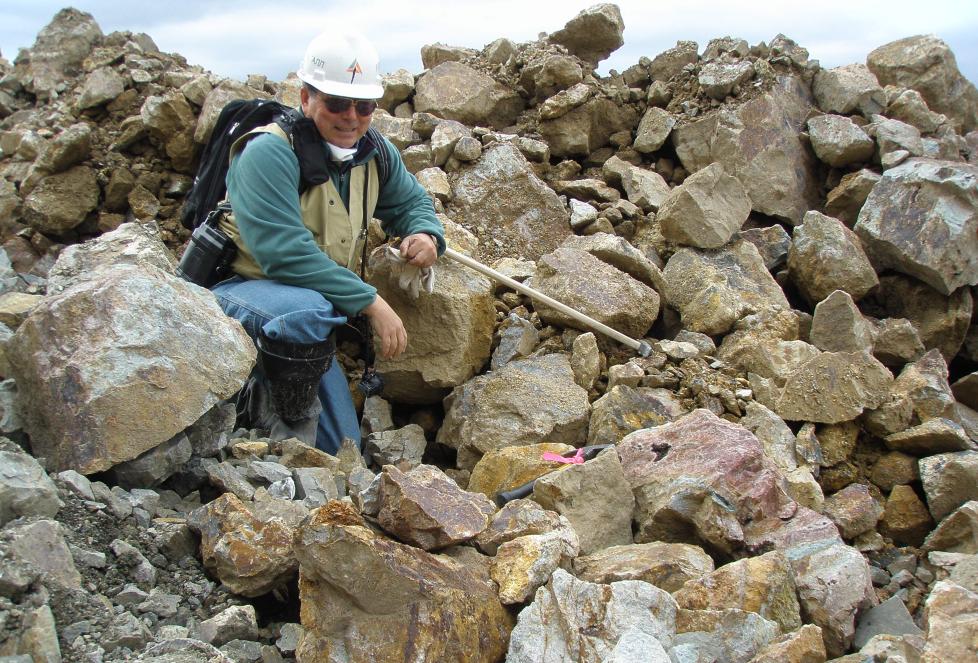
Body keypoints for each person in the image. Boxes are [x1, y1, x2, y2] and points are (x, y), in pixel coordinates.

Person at [210, 28, 445, 455]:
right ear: (306, 99)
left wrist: (425, 235)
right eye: (336, 102)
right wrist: (371, 302)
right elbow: (284, 255)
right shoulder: (268, 153)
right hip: (237, 294)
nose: (351, 116)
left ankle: (313, 452)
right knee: (309, 311)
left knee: (343, 448)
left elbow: (412, 202)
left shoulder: (373, 152)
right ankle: (274, 440)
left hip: (310, 318)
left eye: (364, 105)